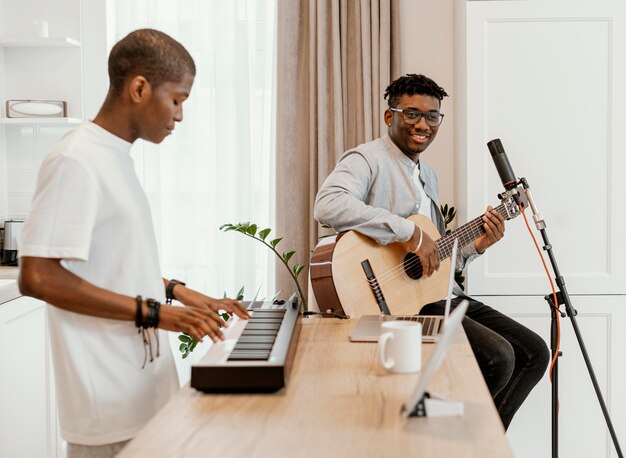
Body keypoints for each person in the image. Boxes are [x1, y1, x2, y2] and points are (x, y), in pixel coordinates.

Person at [18, 29, 249, 457]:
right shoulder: (76, 160)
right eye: (177, 100)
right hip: (107, 407)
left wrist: (180, 292)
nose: (179, 116)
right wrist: (158, 314)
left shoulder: (112, 156)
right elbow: (37, 277)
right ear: (139, 88)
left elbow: (111, 261)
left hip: (140, 393)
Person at [314, 73, 549, 430]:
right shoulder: (367, 159)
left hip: (432, 296)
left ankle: (480, 446)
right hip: (391, 307)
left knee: (534, 352)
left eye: (432, 116)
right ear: (389, 116)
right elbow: (328, 205)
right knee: (499, 357)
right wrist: (408, 231)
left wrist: (475, 247)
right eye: (412, 114)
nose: (422, 124)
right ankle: (446, 440)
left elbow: (430, 259)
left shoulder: (429, 176)